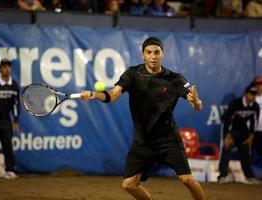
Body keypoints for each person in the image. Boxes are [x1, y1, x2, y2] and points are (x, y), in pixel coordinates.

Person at [80, 37, 206, 200]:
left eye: (157, 52)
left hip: (167, 139)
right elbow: (113, 95)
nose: (153, 56)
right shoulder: (132, 74)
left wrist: (196, 102)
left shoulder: (176, 79)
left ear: (162, 54)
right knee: (129, 184)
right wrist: (94, 95)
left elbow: (198, 105)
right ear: (143, 55)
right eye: (149, 52)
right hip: (143, 141)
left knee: (187, 180)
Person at [218, 82, 260, 184]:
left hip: (242, 129)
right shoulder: (235, 104)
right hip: (230, 128)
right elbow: (227, 120)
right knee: (226, 148)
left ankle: (249, 177)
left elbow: (254, 122)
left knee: (245, 151)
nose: (253, 96)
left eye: (255, 94)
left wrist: (251, 136)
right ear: (246, 94)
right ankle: (222, 176)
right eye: (251, 94)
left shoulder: (255, 106)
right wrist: (227, 136)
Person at [0, 59, 20, 179]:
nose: (6, 69)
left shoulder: (14, 85)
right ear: (0, 69)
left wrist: (15, 120)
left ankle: (10, 170)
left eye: (8, 67)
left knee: (8, 146)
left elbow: (16, 104)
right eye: (4, 66)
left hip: (6, 120)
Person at [253, 76, 262, 159]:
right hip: (254, 130)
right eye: (257, 84)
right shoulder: (250, 97)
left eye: (261, 84)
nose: (259, 86)